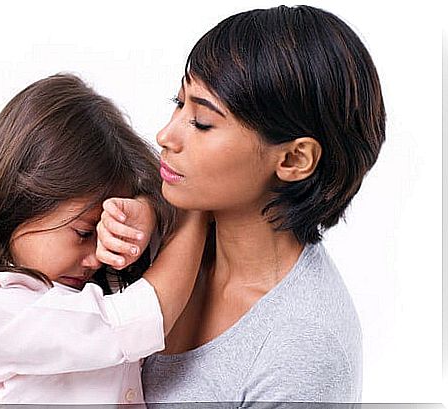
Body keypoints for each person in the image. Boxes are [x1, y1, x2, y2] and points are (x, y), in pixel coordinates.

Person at [134, 5, 386, 404]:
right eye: (178, 103)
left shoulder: (302, 348)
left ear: (293, 159)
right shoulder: (151, 230)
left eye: (202, 122)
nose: (166, 135)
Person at [0, 73, 208, 404]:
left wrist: (147, 210)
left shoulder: (83, 286)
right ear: (19, 201)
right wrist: (196, 206)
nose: (96, 257)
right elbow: (138, 318)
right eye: (83, 232)